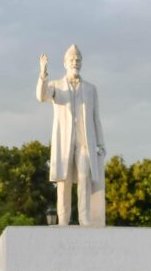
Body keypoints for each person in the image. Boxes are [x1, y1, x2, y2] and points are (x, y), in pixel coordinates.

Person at [37, 45, 107, 227]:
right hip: (64, 142)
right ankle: (63, 220)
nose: (75, 62)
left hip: (85, 142)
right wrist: (43, 74)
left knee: (85, 177)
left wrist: (100, 142)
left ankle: (84, 218)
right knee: (64, 181)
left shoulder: (91, 89)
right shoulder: (56, 85)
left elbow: (95, 118)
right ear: (65, 63)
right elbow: (42, 96)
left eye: (78, 60)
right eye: (72, 60)